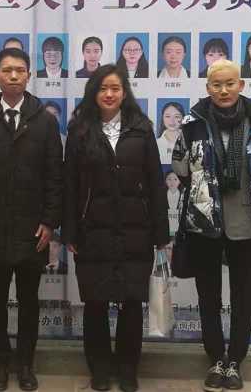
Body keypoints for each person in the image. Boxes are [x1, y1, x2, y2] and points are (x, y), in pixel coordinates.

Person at [172, 59, 251, 392]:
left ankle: (235, 360)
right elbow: (180, 168)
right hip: (204, 224)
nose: (224, 90)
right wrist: (203, 195)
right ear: (208, 88)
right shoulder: (193, 123)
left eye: (230, 83)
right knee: (208, 296)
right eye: (217, 84)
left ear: (241, 85)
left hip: (247, 224)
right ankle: (215, 359)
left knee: (243, 296)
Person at [63, 64, 169, 392]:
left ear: (125, 92)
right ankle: (99, 368)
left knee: (131, 303)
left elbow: (156, 183)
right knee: (95, 303)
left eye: (115, 88)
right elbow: (70, 185)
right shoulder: (80, 130)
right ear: (93, 93)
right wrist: (70, 231)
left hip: (135, 231)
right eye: (103, 88)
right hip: (92, 231)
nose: (109, 94)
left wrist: (161, 234)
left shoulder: (141, 128)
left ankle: (127, 369)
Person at [0, 47, 63, 392]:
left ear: (28, 75)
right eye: (6, 70)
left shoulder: (45, 121)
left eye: (19, 70)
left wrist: (49, 222)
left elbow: (55, 176)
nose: (13, 76)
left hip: (33, 228)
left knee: (29, 300)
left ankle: (25, 364)